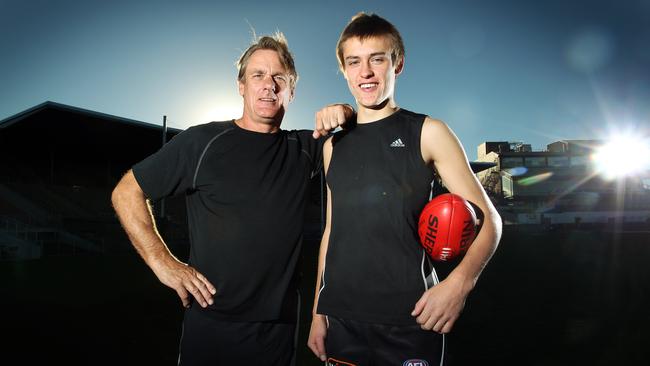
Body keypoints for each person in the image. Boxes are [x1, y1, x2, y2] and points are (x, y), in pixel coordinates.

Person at [111, 32, 351, 365]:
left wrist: (346, 111)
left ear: (292, 90)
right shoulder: (202, 142)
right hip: (211, 328)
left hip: (277, 333)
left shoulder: (305, 148)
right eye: (258, 75)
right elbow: (126, 191)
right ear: (241, 86)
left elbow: (357, 138)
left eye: (279, 78)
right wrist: (162, 262)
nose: (269, 85)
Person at [308, 13, 503, 365]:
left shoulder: (428, 132)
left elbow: (489, 220)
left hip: (410, 317)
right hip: (341, 319)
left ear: (397, 64)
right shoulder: (332, 147)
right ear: (343, 69)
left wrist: (459, 285)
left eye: (377, 59)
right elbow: (332, 231)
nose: (365, 72)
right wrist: (317, 313)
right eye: (354, 62)